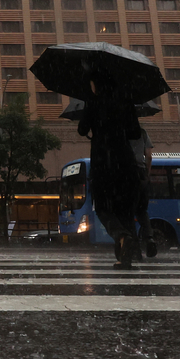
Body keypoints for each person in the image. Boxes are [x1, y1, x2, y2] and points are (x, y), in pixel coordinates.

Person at [78, 78, 142, 269]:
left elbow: (82, 130)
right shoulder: (126, 102)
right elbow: (136, 133)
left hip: (102, 161)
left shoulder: (93, 102)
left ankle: (121, 236)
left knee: (104, 207)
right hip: (125, 160)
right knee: (125, 210)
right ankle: (124, 257)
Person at [129, 126, 156, 258]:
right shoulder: (143, 132)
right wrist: (147, 174)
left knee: (128, 213)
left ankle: (135, 248)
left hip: (127, 174)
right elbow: (149, 156)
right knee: (142, 211)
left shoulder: (120, 131)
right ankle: (149, 238)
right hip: (141, 174)